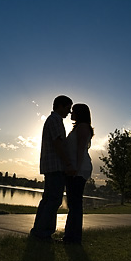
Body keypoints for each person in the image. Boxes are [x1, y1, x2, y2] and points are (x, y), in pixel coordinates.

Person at [30, 95, 76, 241]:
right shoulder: (55, 120)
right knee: (53, 200)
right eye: (68, 108)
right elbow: (58, 143)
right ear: (60, 106)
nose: (69, 113)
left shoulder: (53, 120)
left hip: (51, 166)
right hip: (55, 166)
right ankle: (43, 232)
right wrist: (68, 163)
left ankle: (39, 230)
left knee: (48, 199)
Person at [63, 103, 94, 244]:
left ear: (79, 113)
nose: (71, 113)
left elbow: (80, 149)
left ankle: (72, 238)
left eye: (73, 111)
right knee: (74, 204)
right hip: (77, 169)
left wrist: (76, 168)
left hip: (79, 170)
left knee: (75, 204)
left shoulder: (82, 127)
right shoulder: (79, 127)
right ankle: (71, 237)